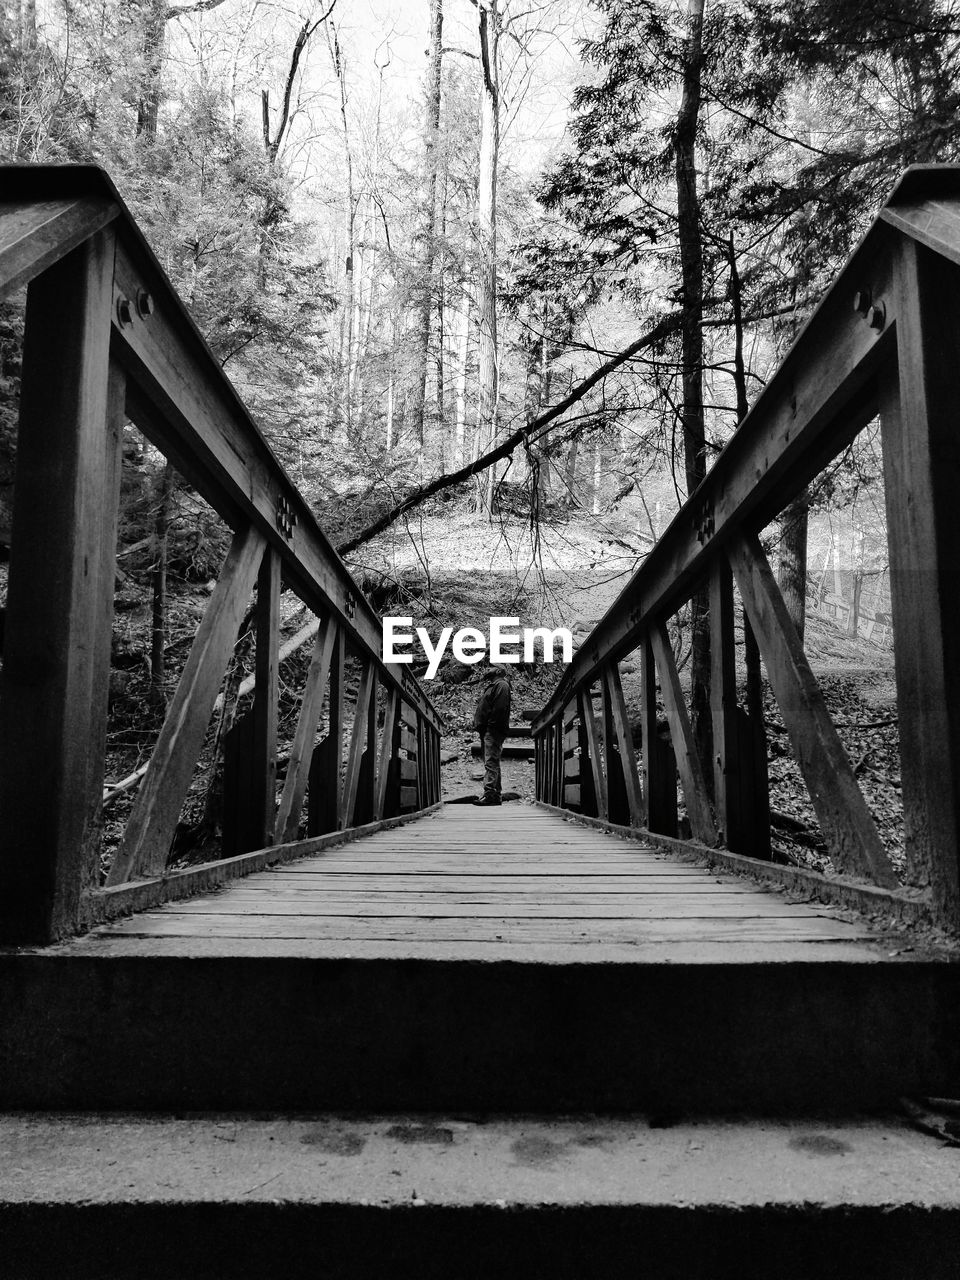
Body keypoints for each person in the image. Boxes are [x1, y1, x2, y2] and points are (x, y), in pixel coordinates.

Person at [472, 663, 511, 806]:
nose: (488, 669)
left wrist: (490, 728)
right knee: (492, 761)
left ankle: (489, 795)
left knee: (490, 762)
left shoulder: (501, 685)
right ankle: (495, 795)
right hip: (489, 730)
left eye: (491, 667)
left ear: (499, 670)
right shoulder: (495, 685)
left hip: (493, 730)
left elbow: (500, 709)